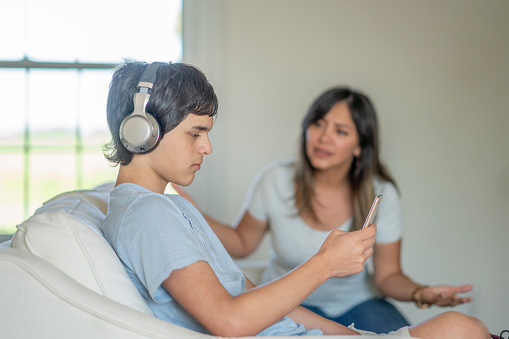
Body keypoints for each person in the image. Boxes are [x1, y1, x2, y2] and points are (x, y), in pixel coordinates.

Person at [102, 61, 490, 338]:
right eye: (195, 133)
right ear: (143, 131)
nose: (207, 148)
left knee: (462, 328)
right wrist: (325, 263)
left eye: (340, 131)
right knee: (463, 330)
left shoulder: (166, 207)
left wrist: (350, 335)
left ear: (360, 146)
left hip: (313, 317)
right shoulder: (148, 214)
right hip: (285, 319)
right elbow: (231, 319)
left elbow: (244, 292)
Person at [176, 87, 480, 333]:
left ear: (360, 145)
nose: (323, 137)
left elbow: (388, 276)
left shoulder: (381, 193)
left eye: (341, 131)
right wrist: (194, 212)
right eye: (318, 124)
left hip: (361, 305)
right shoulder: (276, 180)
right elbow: (242, 243)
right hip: (290, 302)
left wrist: (422, 293)